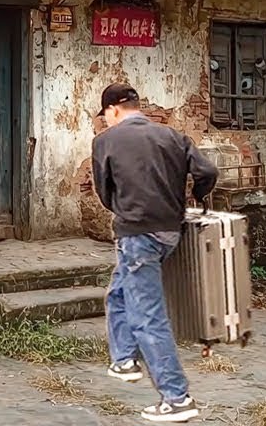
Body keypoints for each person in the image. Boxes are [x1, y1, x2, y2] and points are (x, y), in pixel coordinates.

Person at [92, 82, 218, 423]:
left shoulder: (105, 141)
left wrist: (125, 210)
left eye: (105, 115)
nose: (105, 121)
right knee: (119, 294)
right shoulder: (172, 136)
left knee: (147, 316)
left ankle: (177, 398)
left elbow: (104, 192)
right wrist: (197, 196)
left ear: (113, 110)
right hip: (169, 231)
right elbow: (207, 172)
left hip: (138, 235)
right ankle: (124, 360)